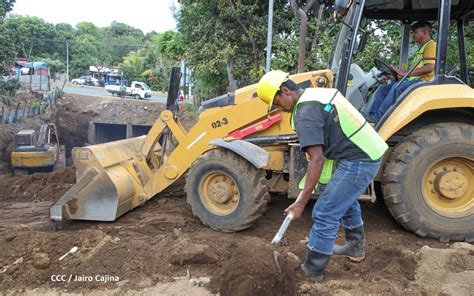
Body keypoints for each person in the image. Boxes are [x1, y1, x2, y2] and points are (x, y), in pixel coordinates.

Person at [257, 70, 388, 282]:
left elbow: (316, 159)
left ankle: (312, 271)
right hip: (365, 151)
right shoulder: (315, 94)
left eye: (277, 102)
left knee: (325, 213)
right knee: (345, 200)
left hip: (359, 159)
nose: (279, 108)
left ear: (286, 91)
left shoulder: (305, 112)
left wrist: (301, 201)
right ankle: (355, 247)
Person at [368, 21, 436, 122]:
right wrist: (395, 73)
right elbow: (414, 71)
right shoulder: (421, 48)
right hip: (417, 80)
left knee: (397, 87)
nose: (412, 34)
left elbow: (429, 67)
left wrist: (403, 74)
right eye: (412, 32)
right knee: (383, 88)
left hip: (425, 82)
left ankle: (379, 118)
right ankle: (372, 117)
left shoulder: (431, 45)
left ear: (424, 32)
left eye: (415, 32)